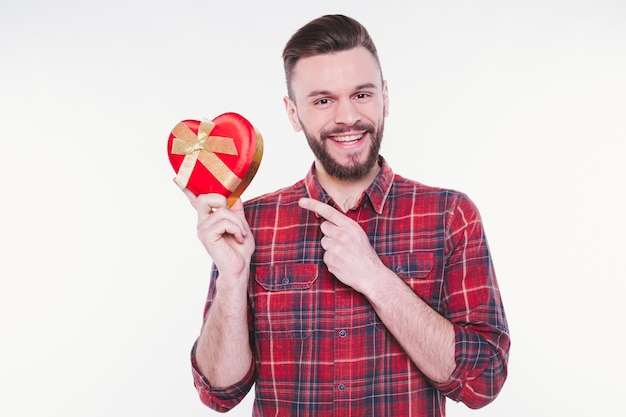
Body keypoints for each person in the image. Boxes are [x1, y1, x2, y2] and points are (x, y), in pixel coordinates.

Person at [184, 14, 510, 416]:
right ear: (292, 113)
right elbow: (220, 393)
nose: (347, 117)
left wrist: (375, 278)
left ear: (385, 97)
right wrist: (233, 280)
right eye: (323, 100)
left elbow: (483, 381)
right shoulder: (251, 224)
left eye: (362, 94)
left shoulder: (450, 216)